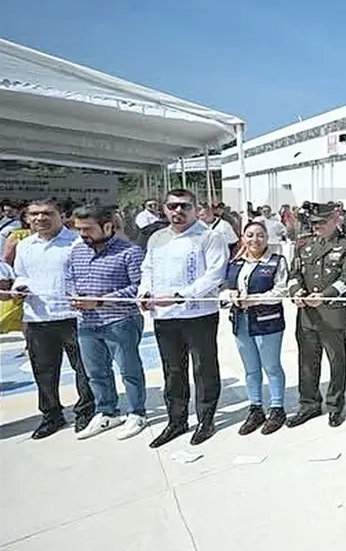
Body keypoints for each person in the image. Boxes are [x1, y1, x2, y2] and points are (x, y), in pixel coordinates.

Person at [139, 189, 230, 448]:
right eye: (172, 206)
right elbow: (147, 269)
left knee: (204, 368)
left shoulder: (209, 236)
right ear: (164, 209)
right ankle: (176, 420)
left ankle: (206, 419)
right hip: (164, 315)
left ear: (195, 209)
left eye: (184, 206)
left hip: (198, 314)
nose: (178, 211)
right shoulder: (157, 238)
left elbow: (215, 274)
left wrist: (181, 296)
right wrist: (144, 293)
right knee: (173, 370)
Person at [10, 198, 96, 439]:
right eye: (34, 214)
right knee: (44, 371)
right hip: (38, 317)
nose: (40, 218)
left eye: (47, 213)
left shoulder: (77, 242)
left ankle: (86, 411)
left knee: (83, 368)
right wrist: (19, 288)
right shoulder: (24, 245)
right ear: (27, 218)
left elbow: (88, 274)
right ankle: (51, 415)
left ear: (62, 216)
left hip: (74, 317)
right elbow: (21, 275)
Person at [67, 205, 148, 441]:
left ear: (108, 226)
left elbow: (138, 288)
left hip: (120, 321)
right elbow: (69, 278)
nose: (82, 234)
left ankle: (137, 412)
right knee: (95, 372)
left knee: (129, 371)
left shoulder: (130, 252)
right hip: (86, 322)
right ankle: (107, 412)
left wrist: (101, 301)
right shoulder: (77, 251)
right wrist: (73, 294)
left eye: (88, 229)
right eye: (79, 229)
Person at [286, 203, 346, 429]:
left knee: (336, 361)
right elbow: (294, 273)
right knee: (307, 361)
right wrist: (296, 291)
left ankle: (335, 406)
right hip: (307, 314)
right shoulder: (303, 244)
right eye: (314, 223)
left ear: (335, 220)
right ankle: (308, 404)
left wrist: (325, 296)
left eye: (322, 222)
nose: (317, 226)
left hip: (333, 313)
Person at [223, 221, 288, 436]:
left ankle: (277, 408)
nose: (255, 239)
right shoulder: (235, 262)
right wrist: (230, 295)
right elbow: (223, 289)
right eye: (249, 235)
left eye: (260, 235)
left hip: (267, 322)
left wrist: (254, 299)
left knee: (271, 366)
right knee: (251, 369)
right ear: (243, 238)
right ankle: (255, 408)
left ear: (267, 238)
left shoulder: (276, 261)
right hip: (241, 321)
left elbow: (280, 291)